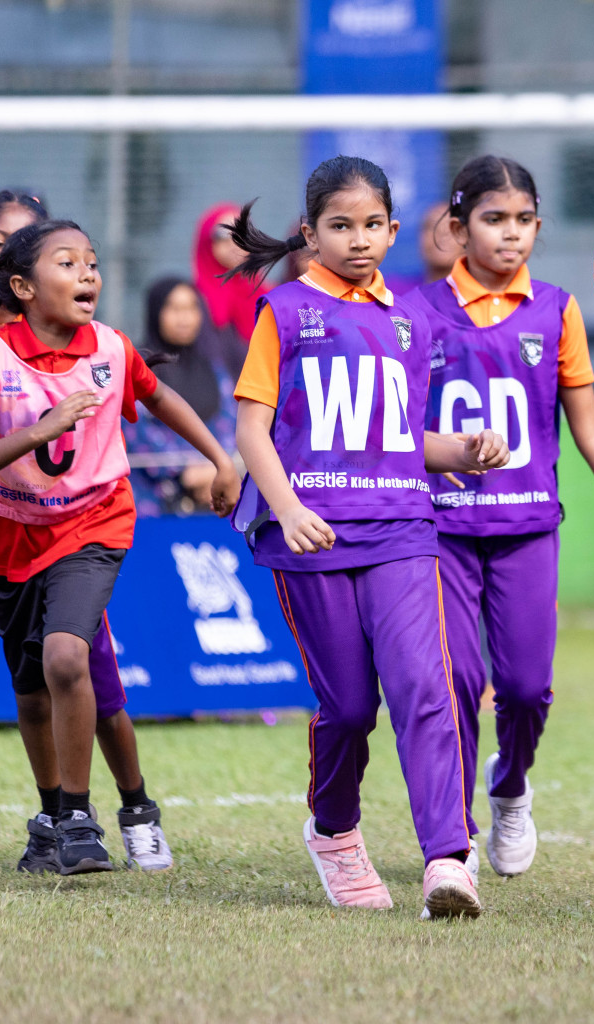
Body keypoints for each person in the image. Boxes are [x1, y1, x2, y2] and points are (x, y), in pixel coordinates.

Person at [228, 155, 509, 919]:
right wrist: (285, 508)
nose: (359, 239)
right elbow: (252, 423)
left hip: (404, 530)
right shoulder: (283, 310)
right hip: (311, 538)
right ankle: (334, 831)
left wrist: (465, 448)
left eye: (372, 225)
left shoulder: (411, 318)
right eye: (339, 226)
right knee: (348, 708)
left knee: (426, 690)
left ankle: (449, 859)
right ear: (310, 234)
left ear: (392, 229)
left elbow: (404, 438)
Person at [414, 155, 594, 878]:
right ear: (457, 228)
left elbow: (589, 430)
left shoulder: (557, 309)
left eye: (525, 220)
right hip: (440, 532)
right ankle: (453, 842)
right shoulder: (415, 314)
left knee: (527, 690)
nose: (512, 235)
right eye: (495, 220)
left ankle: (510, 784)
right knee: (456, 682)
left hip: (527, 529)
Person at [0, 217, 239, 875]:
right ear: (21, 287)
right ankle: (51, 819)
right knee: (32, 690)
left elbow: (161, 397)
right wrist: (42, 431)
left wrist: (219, 455)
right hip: (12, 534)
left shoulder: (112, 348)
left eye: (91, 262)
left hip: (95, 525)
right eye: (67, 263)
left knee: (69, 658)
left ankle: (81, 817)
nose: (88, 273)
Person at [128, 277, 238, 516]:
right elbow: (135, 428)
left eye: (191, 308)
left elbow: (230, 422)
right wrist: (186, 469)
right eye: (175, 309)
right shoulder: (136, 366)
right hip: (152, 499)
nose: (185, 318)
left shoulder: (213, 368)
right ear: (156, 312)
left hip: (210, 492)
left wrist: (214, 468)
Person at [194, 203, 267, 373]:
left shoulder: (267, 296)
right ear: (206, 242)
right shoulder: (194, 301)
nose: (234, 243)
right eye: (223, 235)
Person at [418, 200, 462, 285]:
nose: (442, 234)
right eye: (432, 227)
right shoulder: (393, 293)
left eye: (451, 227)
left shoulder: (489, 292)